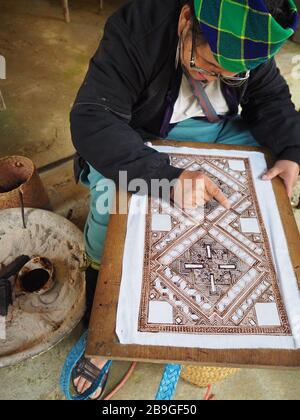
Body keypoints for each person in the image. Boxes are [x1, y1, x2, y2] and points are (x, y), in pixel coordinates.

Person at [70, 0, 300, 399]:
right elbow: (94, 118)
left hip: (217, 130)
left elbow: (272, 99)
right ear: (185, 20)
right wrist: (166, 178)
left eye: (232, 75)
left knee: (267, 177)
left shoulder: (251, 37)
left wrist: (292, 150)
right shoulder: (135, 29)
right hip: (144, 137)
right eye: (208, 67)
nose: (217, 77)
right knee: (113, 201)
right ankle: (103, 323)